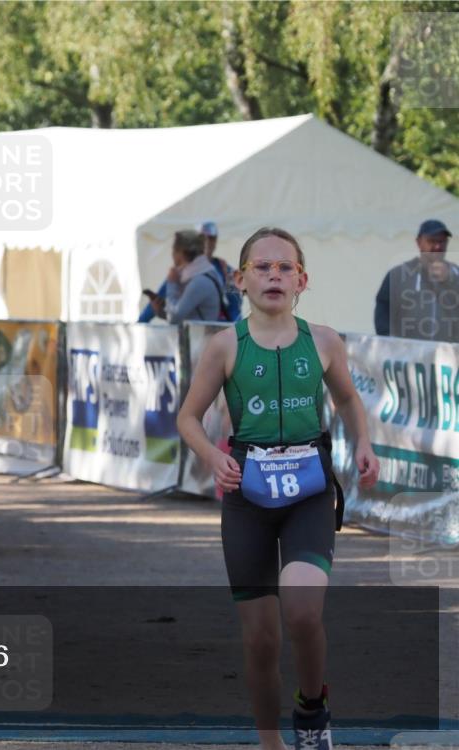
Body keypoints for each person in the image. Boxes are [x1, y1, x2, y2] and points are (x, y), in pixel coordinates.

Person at [177, 227, 379, 750]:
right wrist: (214, 456)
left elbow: (350, 401)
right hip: (247, 495)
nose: (274, 275)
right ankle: (271, 743)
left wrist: (363, 443)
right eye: (262, 267)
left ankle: (313, 711)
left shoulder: (325, 340)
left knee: (304, 610)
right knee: (262, 640)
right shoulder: (225, 346)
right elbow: (189, 417)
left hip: (309, 490)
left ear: (302, 280)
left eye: (285, 267)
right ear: (240, 279)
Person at [373, 219, 458, 342]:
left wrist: (450, 281)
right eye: (432, 241)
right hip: (409, 355)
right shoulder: (398, 274)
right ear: (419, 243)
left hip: (449, 356)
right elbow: (383, 307)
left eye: (442, 241)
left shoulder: (456, 273)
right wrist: (389, 340)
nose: (437, 246)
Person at [148, 229, 223, 323]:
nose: (172, 254)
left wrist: (172, 284)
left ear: (181, 253)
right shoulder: (201, 274)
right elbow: (187, 317)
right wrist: (160, 312)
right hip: (198, 336)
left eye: (174, 250)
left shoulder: (199, 281)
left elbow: (174, 317)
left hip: (201, 337)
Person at [201, 220, 243, 322]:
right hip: (192, 330)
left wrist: (236, 331)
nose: (207, 242)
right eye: (203, 238)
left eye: (211, 238)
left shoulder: (226, 271)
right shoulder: (182, 270)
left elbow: (234, 306)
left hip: (218, 329)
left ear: (215, 241)